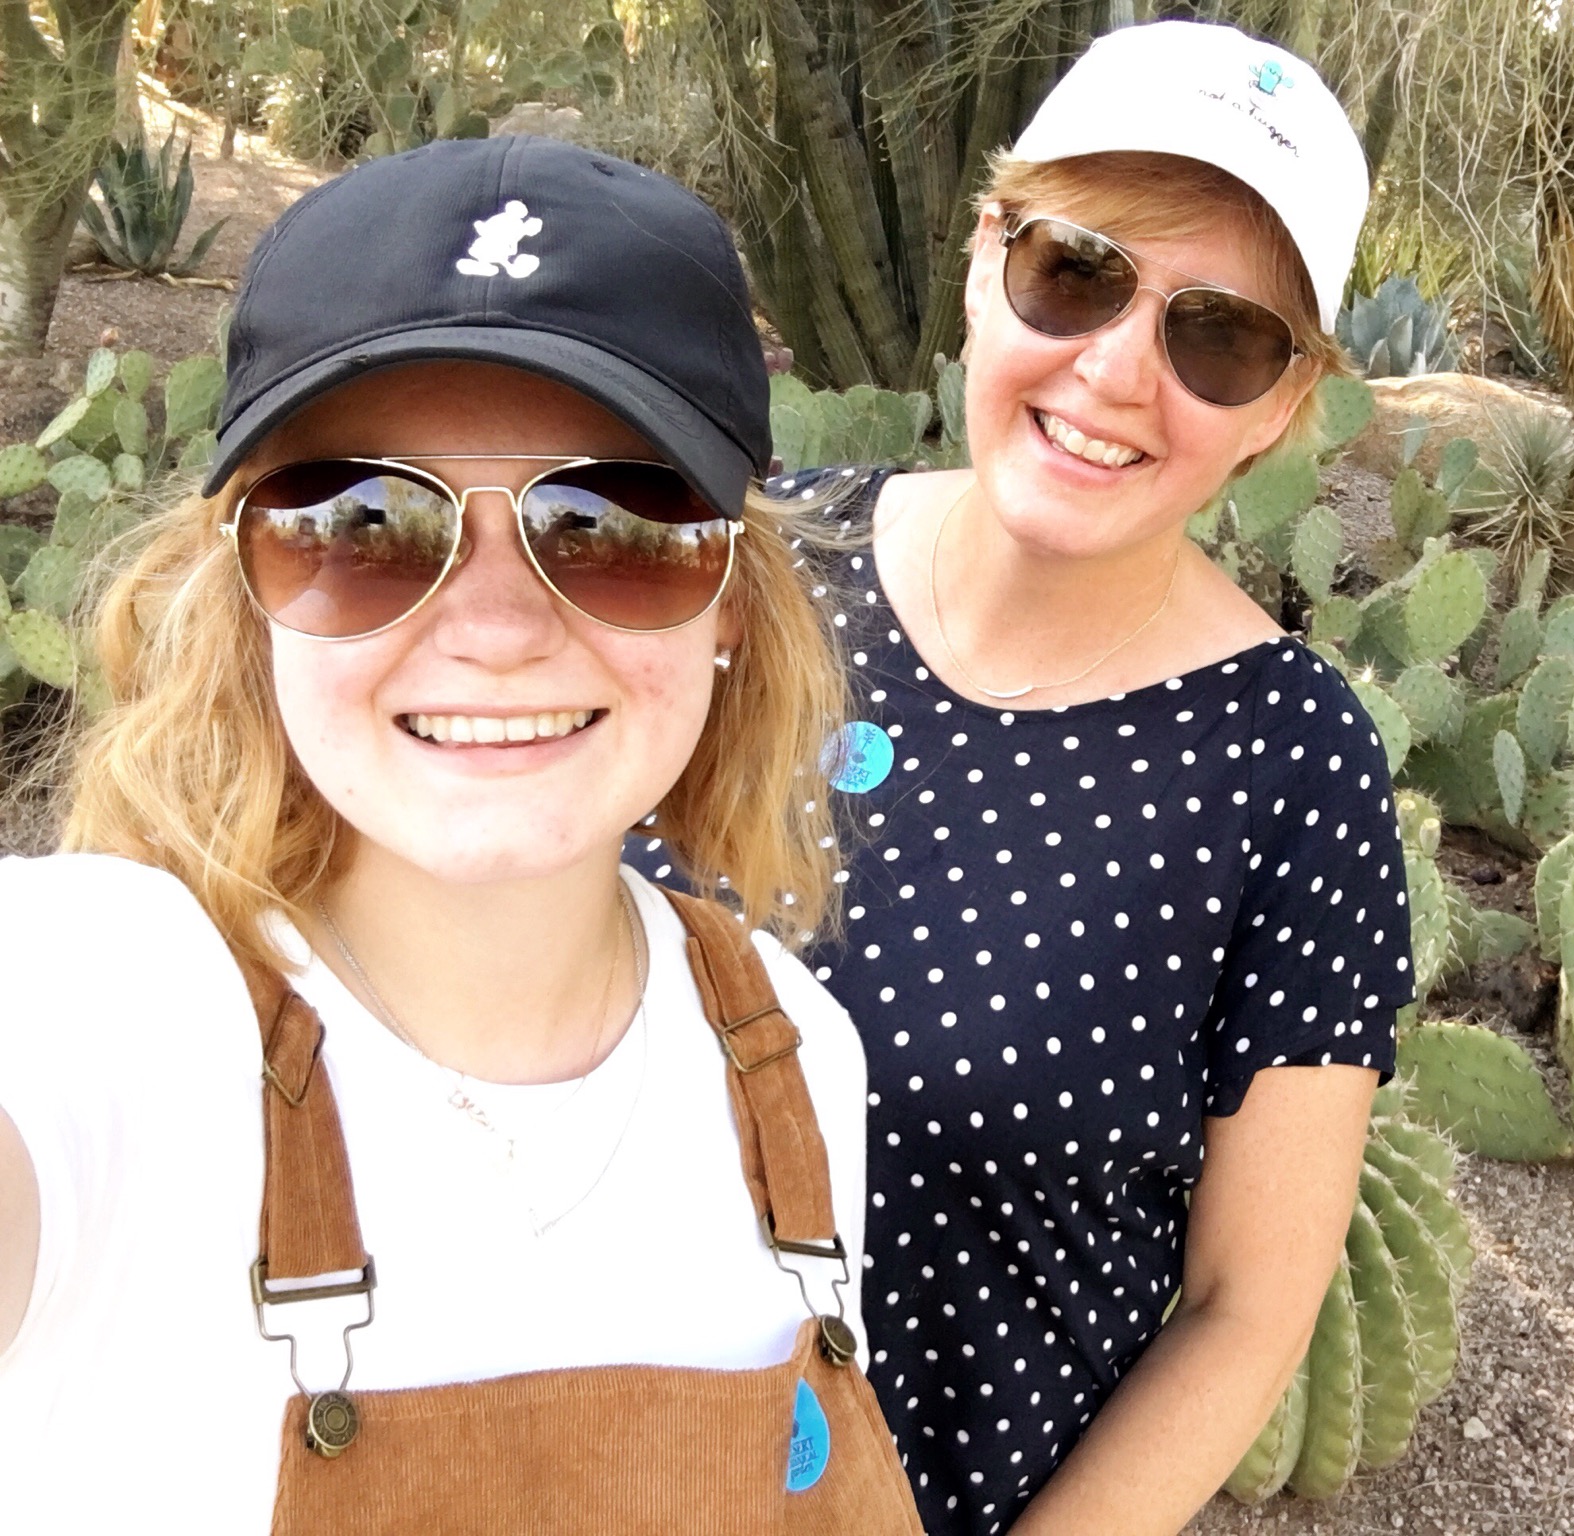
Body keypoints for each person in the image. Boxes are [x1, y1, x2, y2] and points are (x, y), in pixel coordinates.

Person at [0, 137, 921, 1534]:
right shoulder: (110, 999)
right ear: (246, 587)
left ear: (734, 598)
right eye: (360, 523)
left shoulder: (792, 1061)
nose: (493, 630)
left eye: (612, 520)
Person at [631, 21, 1413, 1535]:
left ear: (1283, 407)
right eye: (1079, 268)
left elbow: (1247, 1306)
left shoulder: (1292, 767)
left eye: (1222, 336)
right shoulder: (756, 570)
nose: (1118, 369)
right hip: (553, 1451)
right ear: (986, 259)